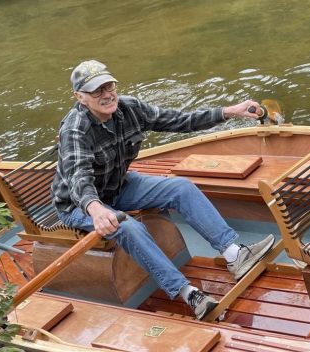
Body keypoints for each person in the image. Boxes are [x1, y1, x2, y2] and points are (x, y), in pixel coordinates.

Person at [51, 59, 274, 319]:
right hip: (79, 205)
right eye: (96, 90)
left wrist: (230, 112)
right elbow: (79, 178)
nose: (107, 94)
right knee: (128, 227)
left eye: (108, 85)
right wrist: (95, 208)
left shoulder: (129, 108)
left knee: (181, 187)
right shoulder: (75, 129)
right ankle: (188, 293)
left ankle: (234, 255)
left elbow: (180, 120)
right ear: (80, 97)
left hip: (118, 187)